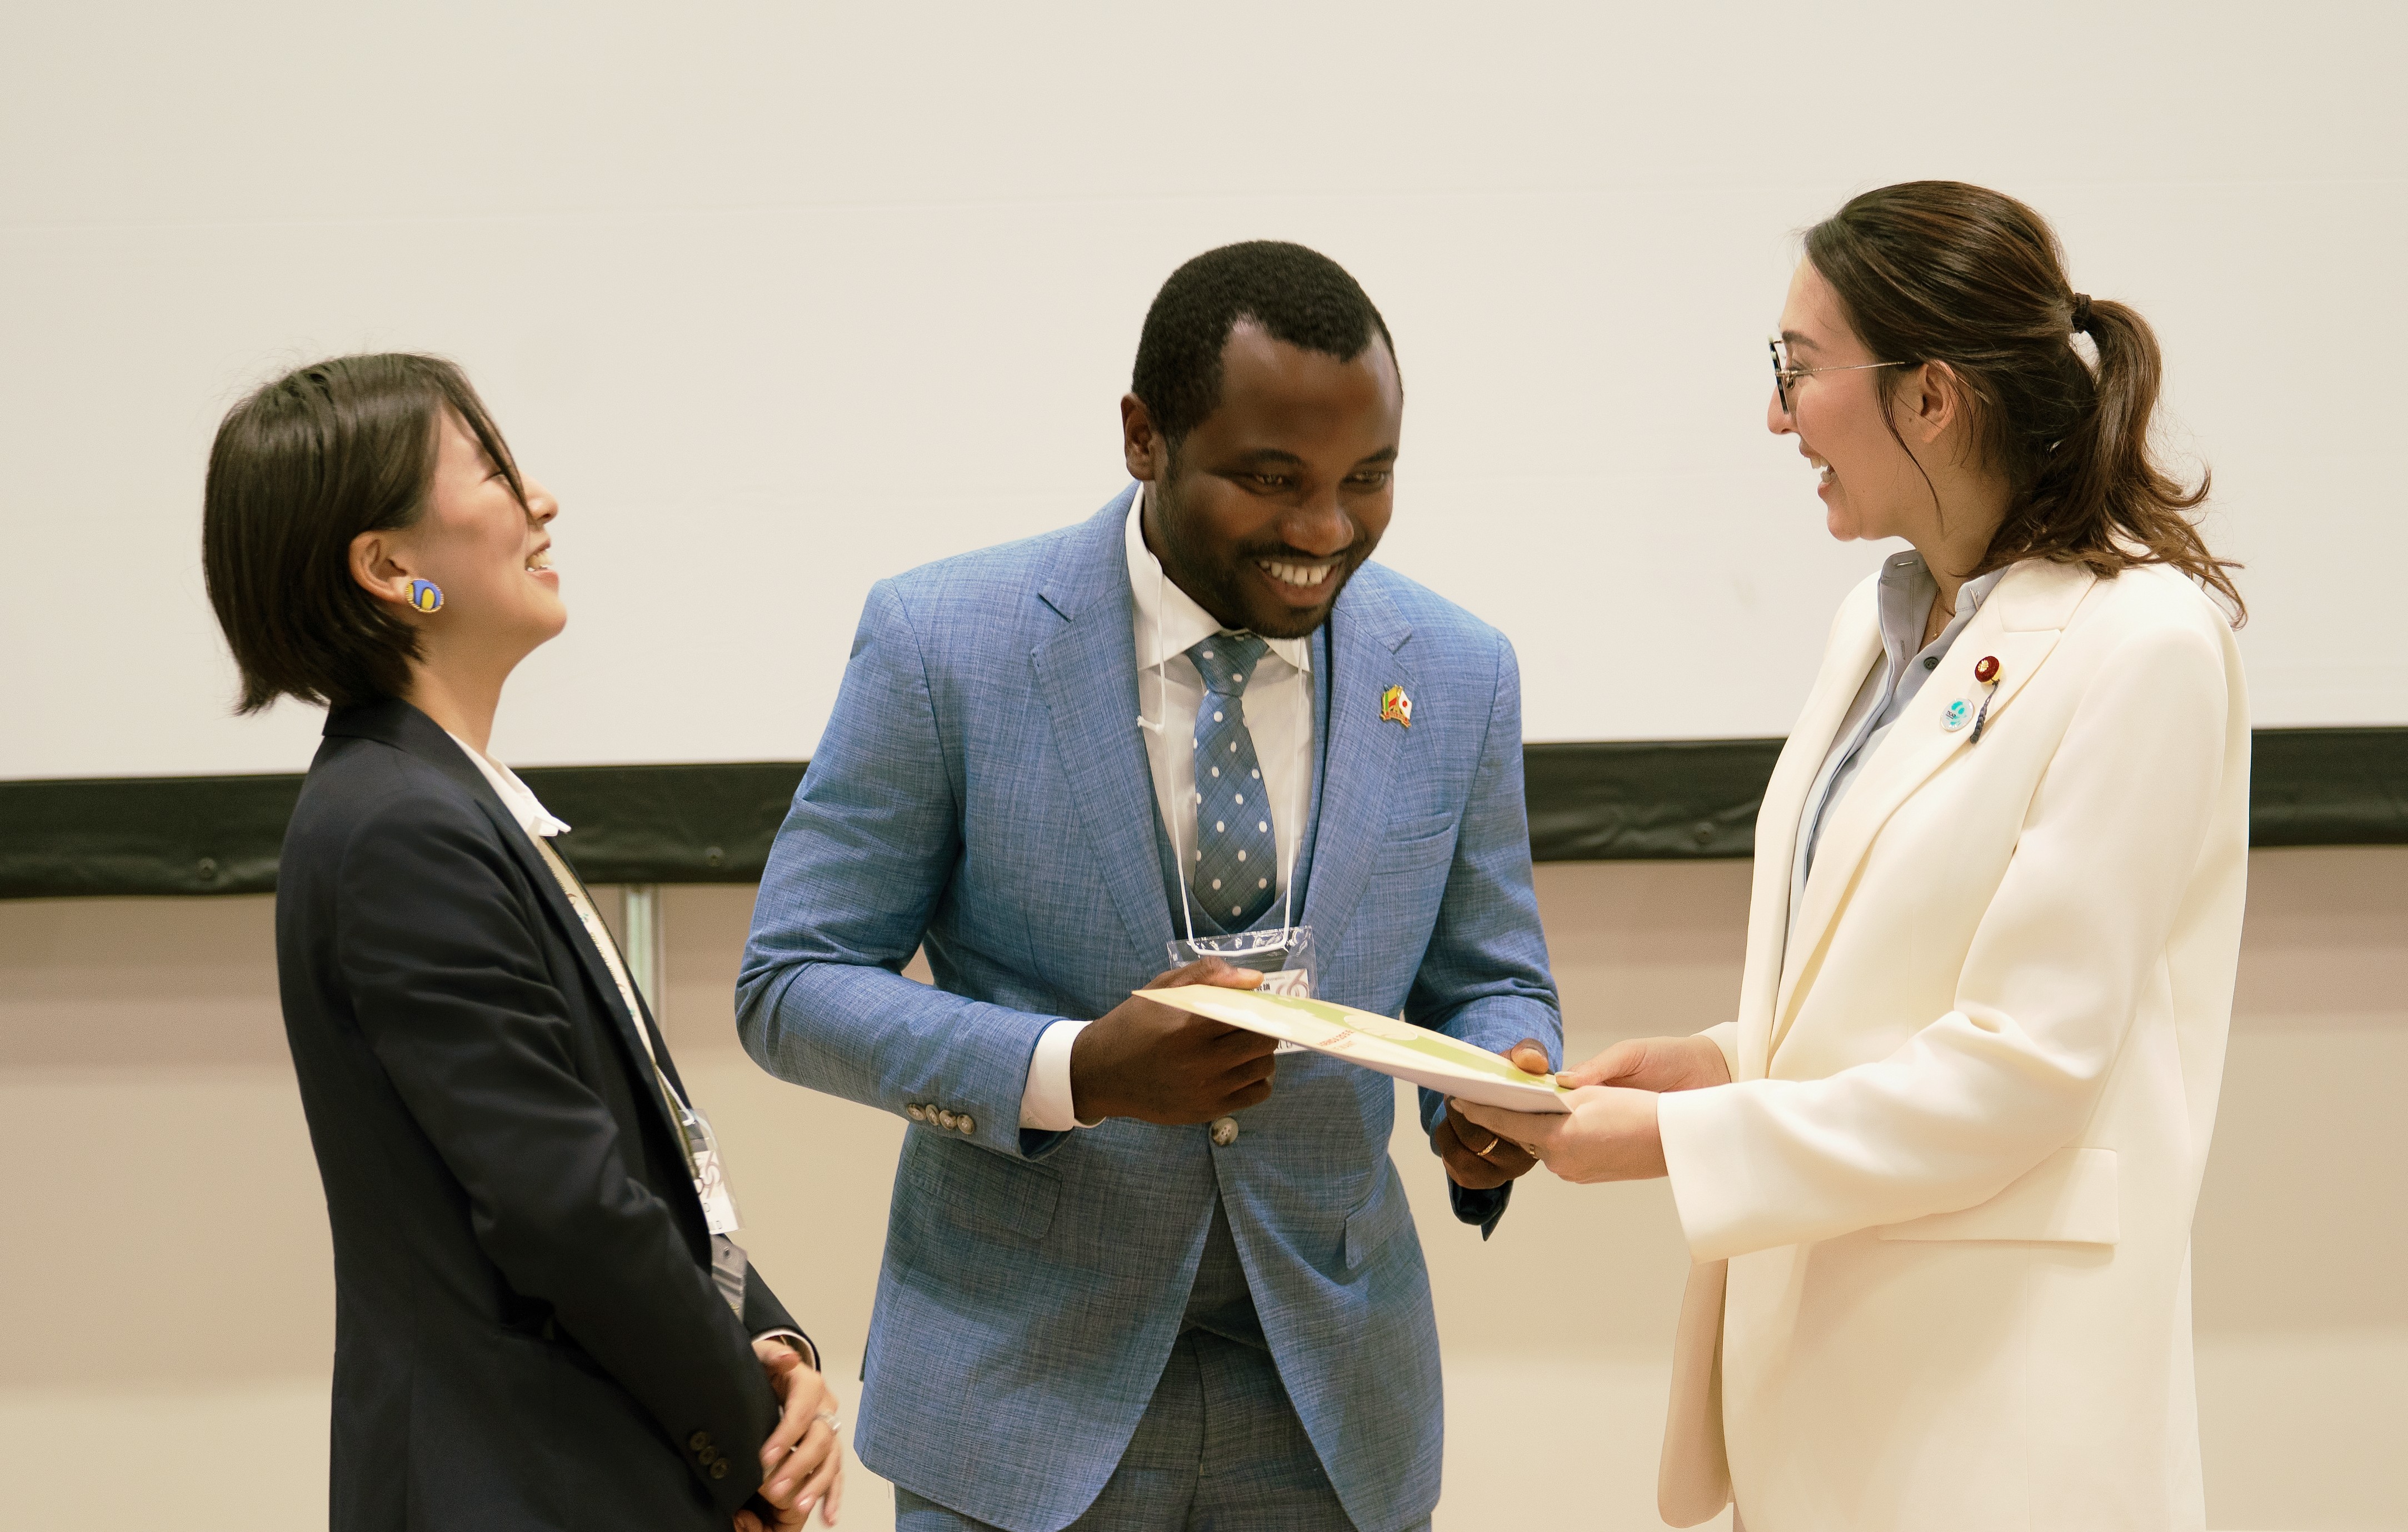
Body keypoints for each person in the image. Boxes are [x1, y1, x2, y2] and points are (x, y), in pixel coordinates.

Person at [1460, 181, 2251, 1530]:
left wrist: (1680, 1136)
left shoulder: (2147, 646)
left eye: (1799, 370)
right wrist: (1723, 1053)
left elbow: (2025, 1063)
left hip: (1998, 1424)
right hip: (1828, 1404)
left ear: (1930, 396)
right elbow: (1888, 979)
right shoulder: (1872, 627)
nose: (1777, 416)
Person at [737, 241, 1561, 1532]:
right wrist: (1079, 1071)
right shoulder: (943, 641)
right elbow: (789, 986)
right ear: (1143, 436)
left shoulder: (1458, 669)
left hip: (1332, 1415)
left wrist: (1505, 1074)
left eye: (1369, 479)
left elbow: (1493, 974)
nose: (1324, 531)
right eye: (1271, 480)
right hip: (1017, 1403)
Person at [201, 353, 845, 1531]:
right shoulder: (403, 826)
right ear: (390, 566)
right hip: (520, 1484)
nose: (539, 498)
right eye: (491, 469)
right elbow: (564, 1207)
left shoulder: (442, 799)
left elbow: (635, 1165)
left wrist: (765, 1338)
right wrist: (745, 1435)